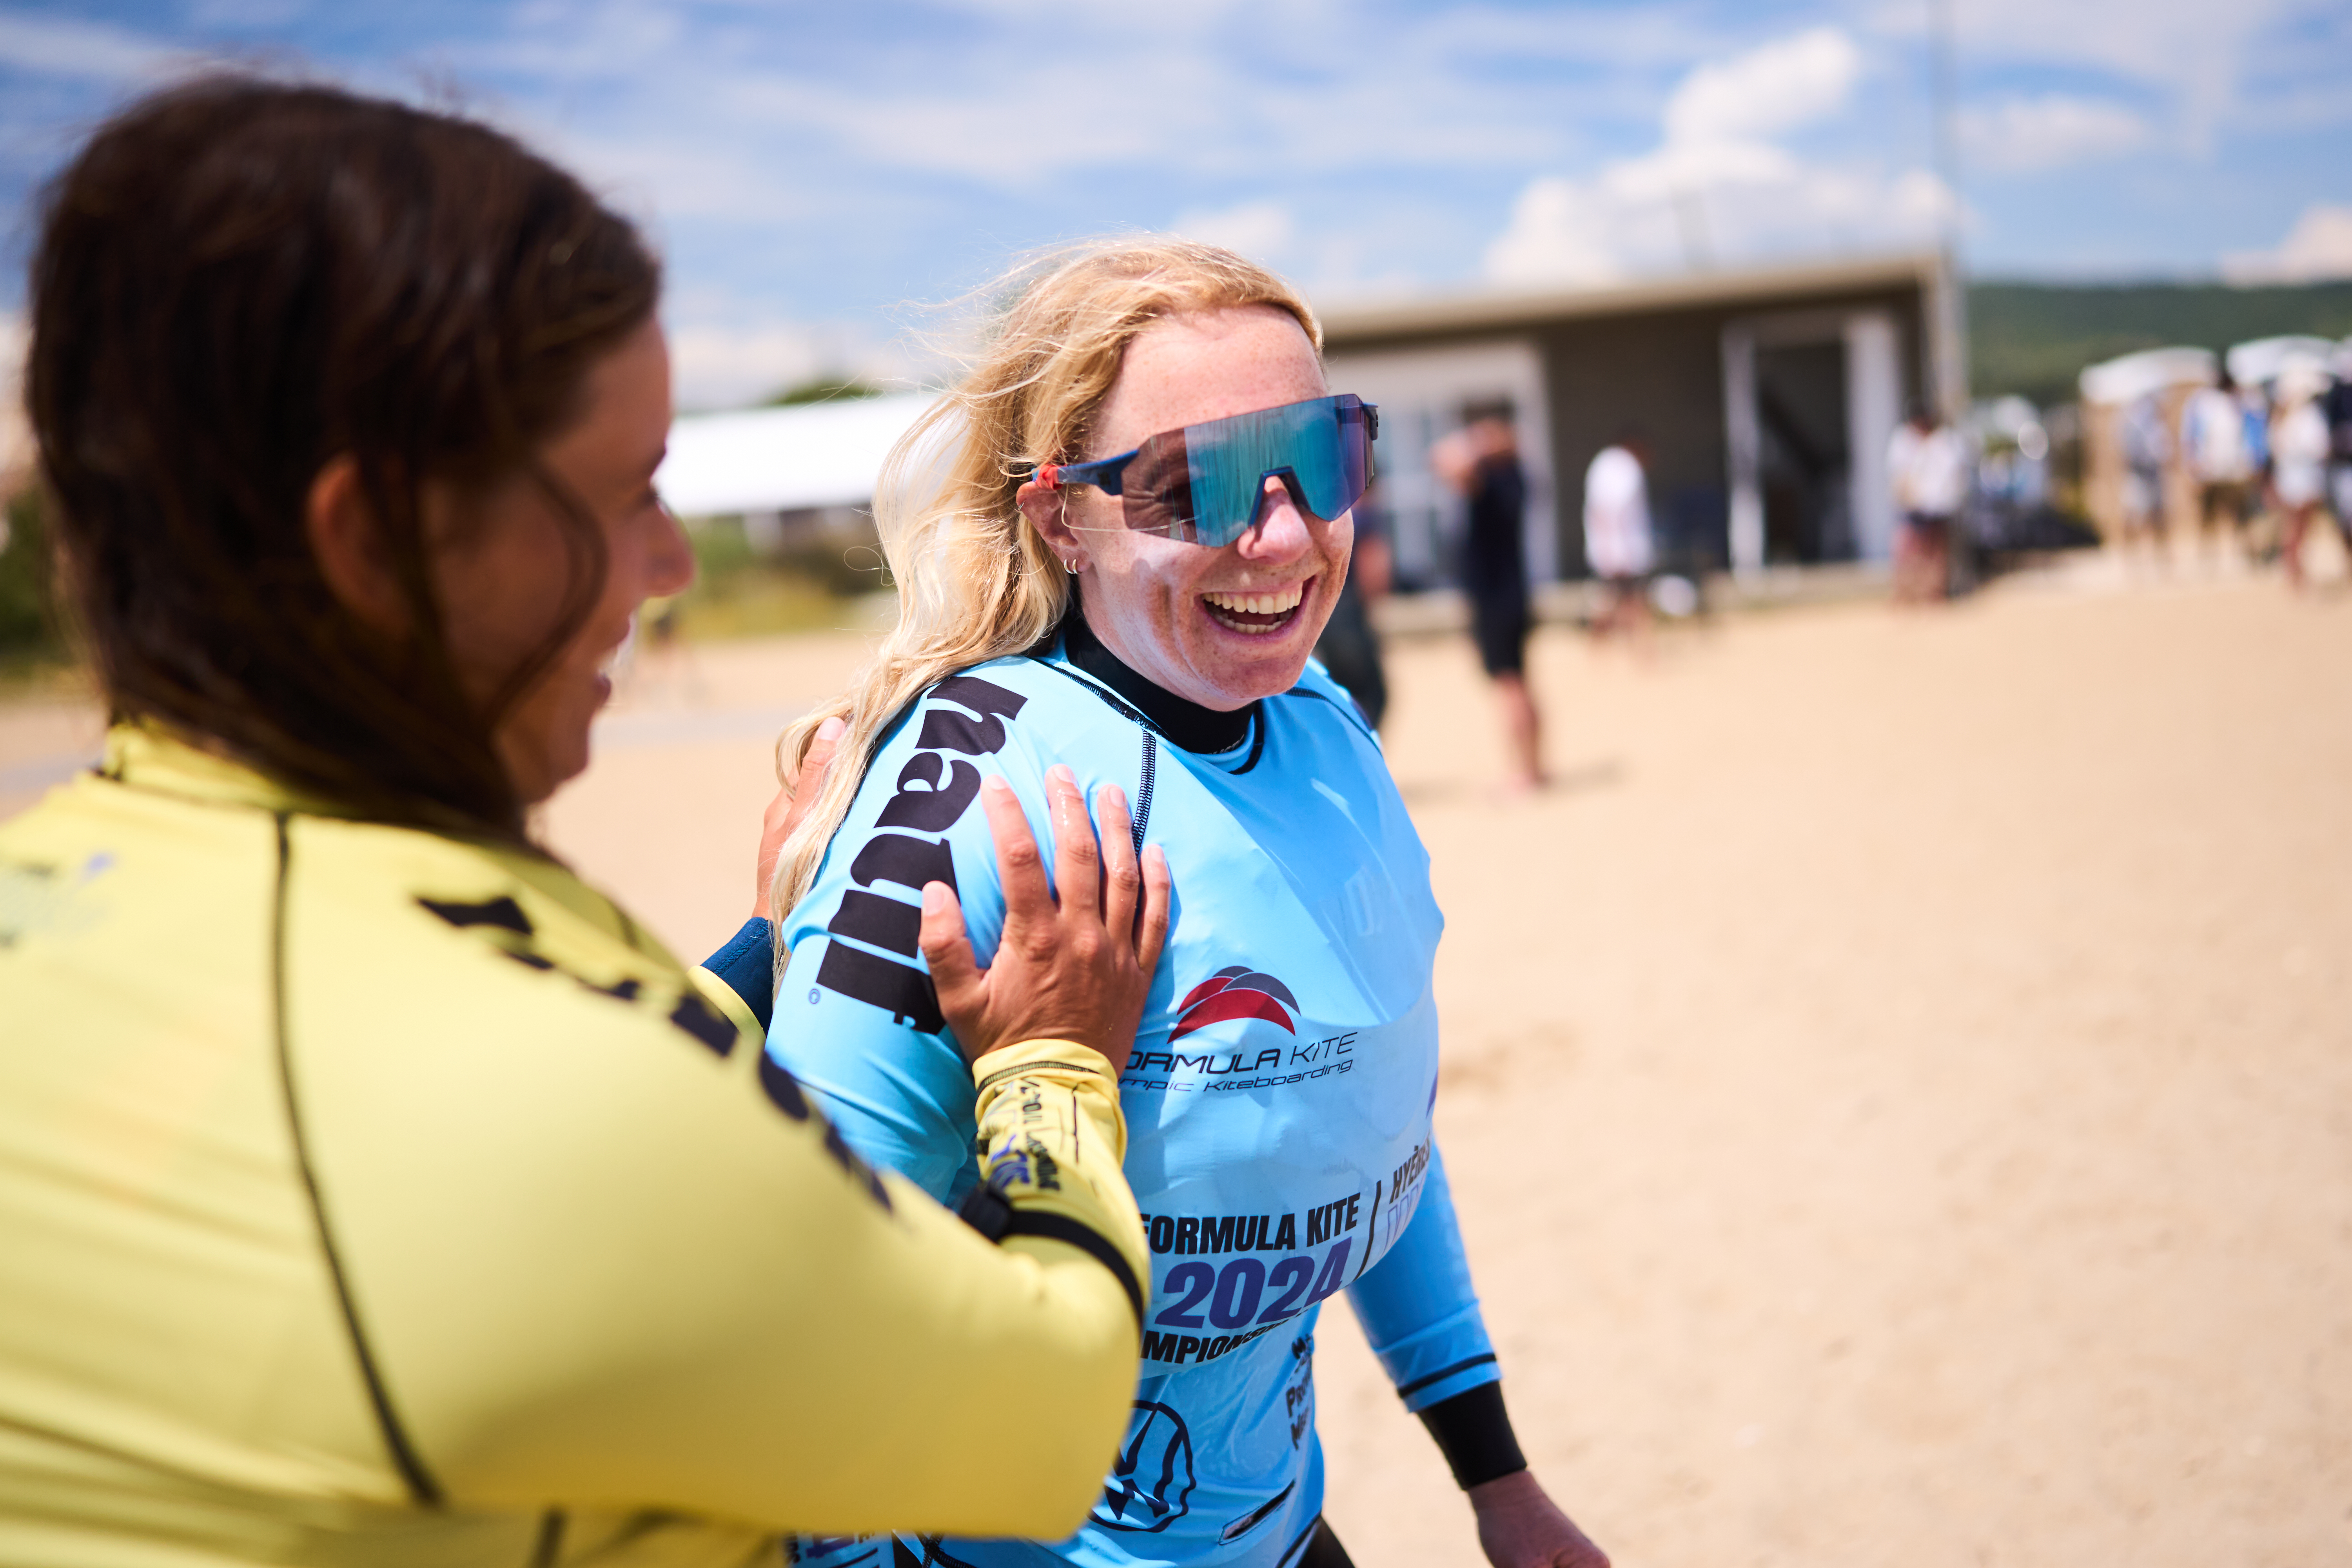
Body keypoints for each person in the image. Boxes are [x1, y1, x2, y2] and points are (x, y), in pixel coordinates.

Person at [2, 78, 1175, 1566]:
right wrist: (1053, 1061)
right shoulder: (567, 1098)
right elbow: (1046, 1425)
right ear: (372, 540)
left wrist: (759, 948)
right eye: (623, 496)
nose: (672, 563)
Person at [758, 239, 1609, 1568]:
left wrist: (1495, 1477)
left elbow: (1369, 1135)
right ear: (1060, 518)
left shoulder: (1324, 729)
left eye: (1320, 460)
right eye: (1187, 485)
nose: (1279, 533)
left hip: (1278, 1532)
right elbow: (795, 1296)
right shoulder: (979, 804)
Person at [1434, 405, 1545, 789]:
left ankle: (1524, 773)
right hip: (1511, 594)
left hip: (1496, 599)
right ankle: (1536, 768)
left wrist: (1474, 443)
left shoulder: (1495, 479)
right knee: (1522, 682)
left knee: (1509, 684)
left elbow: (1444, 460)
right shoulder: (1515, 476)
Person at [1310, 478, 1392, 728]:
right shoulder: (1363, 518)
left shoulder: (1326, 517)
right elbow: (1375, 572)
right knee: (1373, 695)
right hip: (1350, 618)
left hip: (1326, 621)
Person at [1580, 432, 1656, 652]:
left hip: (1610, 547)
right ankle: (1641, 649)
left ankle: (1604, 646)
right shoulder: (1625, 468)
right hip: (1623, 549)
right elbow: (1611, 509)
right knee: (1632, 600)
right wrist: (1612, 549)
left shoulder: (1603, 464)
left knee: (1612, 600)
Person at [1885, 403, 1965, 603]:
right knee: (1909, 551)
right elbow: (1900, 476)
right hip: (1913, 507)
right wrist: (1906, 499)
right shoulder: (1903, 441)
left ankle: (1933, 592)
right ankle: (1907, 593)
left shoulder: (1944, 442)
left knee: (1935, 552)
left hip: (1938, 506)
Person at [2268, 361, 2334, 590]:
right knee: (2300, 527)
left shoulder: (2284, 418)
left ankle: (2295, 570)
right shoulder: (2305, 415)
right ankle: (2295, 571)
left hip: (2293, 477)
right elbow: (2319, 446)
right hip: (2303, 477)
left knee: (2294, 527)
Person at [2181, 369, 2257, 566]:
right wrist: (2194, 464)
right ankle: (2208, 557)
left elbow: (2249, 432)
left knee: (2240, 514)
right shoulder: (2203, 403)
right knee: (2209, 516)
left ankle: (2247, 555)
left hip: (2235, 468)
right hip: (2211, 468)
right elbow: (2192, 435)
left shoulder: (2239, 402)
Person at [2118, 392, 2171, 566]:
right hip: (2137, 476)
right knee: (2134, 517)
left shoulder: (2158, 427)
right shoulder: (2131, 425)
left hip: (2153, 476)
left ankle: (2162, 558)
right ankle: (2130, 557)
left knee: (2158, 517)